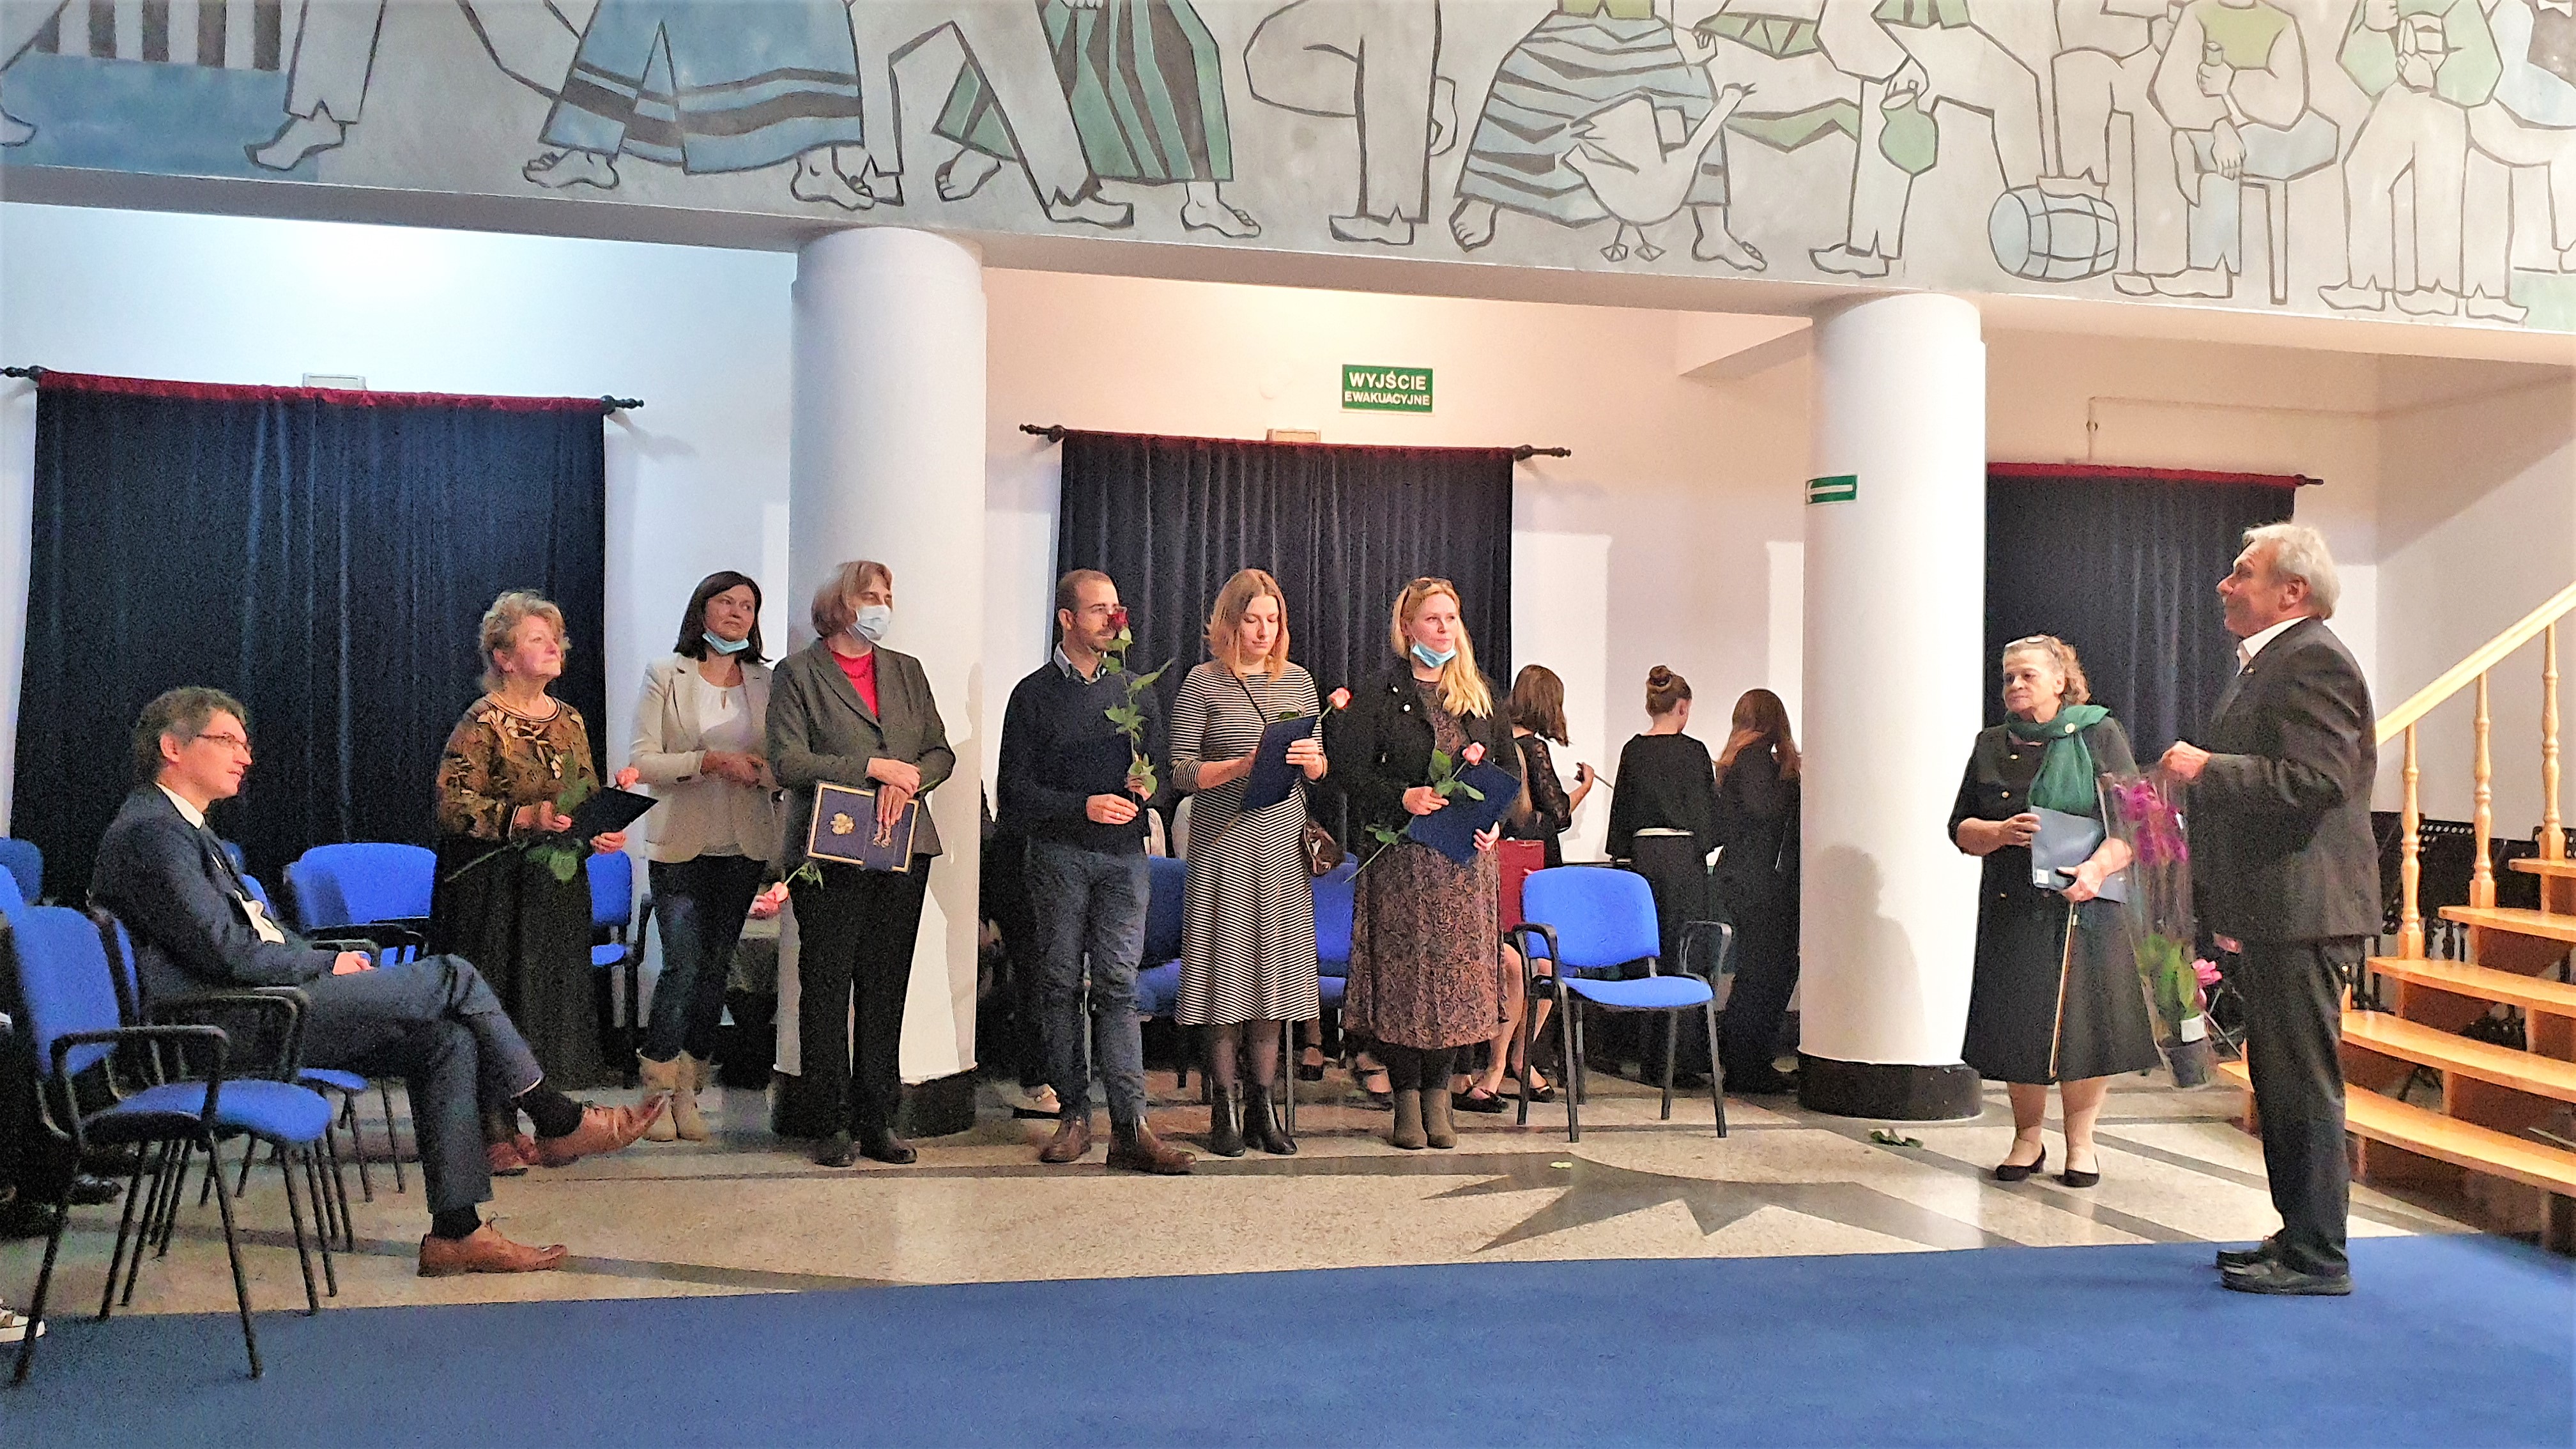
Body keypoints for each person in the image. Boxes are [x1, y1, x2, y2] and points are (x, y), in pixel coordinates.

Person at [94, 689, 661, 1275]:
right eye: (227, 741)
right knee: (455, 976)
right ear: (173, 747)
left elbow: (258, 936)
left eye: (244, 743)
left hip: (263, 1005)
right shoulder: (152, 833)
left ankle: (457, 1232)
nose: (246, 756)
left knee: (445, 1040)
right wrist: (323, 966)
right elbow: (225, 952)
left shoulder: (187, 830)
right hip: (228, 1025)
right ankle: (556, 1117)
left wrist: (324, 958)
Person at [2160, 524, 2377, 1297]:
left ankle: (2319, 1256)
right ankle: (2299, 1234)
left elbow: (2318, 780)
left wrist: (2209, 767)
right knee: (2279, 1084)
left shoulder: (2313, 658)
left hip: (2306, 910)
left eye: (2242, 573)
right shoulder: (2270, 661)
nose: (2225, 585)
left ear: (2293, 591)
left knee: (2302, 1085)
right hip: (2277, 907)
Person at [431, 592, 640, 1173]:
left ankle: (548, 1123)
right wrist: (525, 817)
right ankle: (493, 1128)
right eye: (536, 639)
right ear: (503, 657)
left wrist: (600, 829)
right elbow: (452, 806)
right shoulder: (482, 720)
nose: (554, 647)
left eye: (556, 639)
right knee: (496, 997)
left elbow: (579, 800)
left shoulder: (570, 719)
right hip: (493, 888)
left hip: (555, 885)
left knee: (545, 1000)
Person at [997, 569, 1195, 1174]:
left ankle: (1132, 1126)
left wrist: (1147, 788)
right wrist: (1080, 806)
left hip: (1125, 858)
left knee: (1118, 985)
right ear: (1066, 619)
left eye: (1117, 609)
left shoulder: (1136, 691)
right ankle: (1074, 1116)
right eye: (1098, 610)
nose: (1114, 620)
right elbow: (1013, 794)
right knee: (1060, 983)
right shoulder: (1032, 695)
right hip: (1059, 855)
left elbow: (1162, 778)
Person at [1949, 638, 2158, 1186]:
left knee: (2084, 1030)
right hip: (2013, 907)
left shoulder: (2099, 734)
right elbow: (1960, 828)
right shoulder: (1991, 743)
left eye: (2028, 676)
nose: (2015, 686)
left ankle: (2082, 1143)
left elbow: (2132, 827)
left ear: (2060, 681)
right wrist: (1998, 832)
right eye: (2008, 677)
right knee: (2019, 1025)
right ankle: (2026, 1138)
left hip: (2086, 905)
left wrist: (2095, 870)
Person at [769, 560, 954, 1169]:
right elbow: (789, 762)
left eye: (887, 595)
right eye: (870, 595)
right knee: (827, 987)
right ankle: (829, 1121)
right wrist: (872, 769)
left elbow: (939, 751)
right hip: (831, 848)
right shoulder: (799, 673)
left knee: (885, 986)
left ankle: (878, 1119)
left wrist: (910, 779)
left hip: (902, 845)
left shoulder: (907, 670)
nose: (882, 605)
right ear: (839, 604)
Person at [1331, 578, 1522, 1151]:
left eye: (1451, 619)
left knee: (1455, 988)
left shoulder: (1480, 695)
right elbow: (1349, 772)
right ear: (1408, 627)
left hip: (1465, 867)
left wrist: (1495, 822)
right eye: (1433, 619)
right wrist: (1403, 796)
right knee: (1407, 986)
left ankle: (1440, 1096)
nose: (1444, 629)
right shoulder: (1381, 692)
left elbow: (1509, 773)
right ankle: (1407, 1100)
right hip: (1404, 864)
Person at [1169, 568, 1328, 1157]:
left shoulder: (1299, 681)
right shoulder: (1204, 682)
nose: (1264, 631)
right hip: (1224, 845)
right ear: (1230, 622)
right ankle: (1224, 1108)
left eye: (1273, 620)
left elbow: (1319, 764)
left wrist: (1313, 763)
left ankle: (1264, 1104)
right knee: (1226, 981)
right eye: (1253, 619)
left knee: (1275, 981)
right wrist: (1241, 766)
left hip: (1281, 844)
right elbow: (1180, 771)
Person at [627, 571, 781, 1143]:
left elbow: (784, 764)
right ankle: (655, 1092)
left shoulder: (766, 680)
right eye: (726, 602)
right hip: (680, 843)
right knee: (682, 966)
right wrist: (709, 762)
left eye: (748, 606)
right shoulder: (666, 673)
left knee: (717, 970)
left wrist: (759, 772)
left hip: (743, 845)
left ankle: (689, 1089)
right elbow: (643, 761)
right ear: (703, 609)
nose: (737, 613)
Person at [1603, 666, 1721, 1087]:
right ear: (1683, 707)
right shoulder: (1695, 752)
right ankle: (1680, 1061)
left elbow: (1621, 817)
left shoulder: (1633, 751)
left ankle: (1646, 1058)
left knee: (1645, 957)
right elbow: (1708, 820)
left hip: (1643, 861)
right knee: (1684, 956)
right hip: (1683, 861)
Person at [1712, 688, 1804, 1096]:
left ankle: (1747, 1060)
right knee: (1768, 970)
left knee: (1761, 970)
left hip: (1746, 878)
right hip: (1760, 881)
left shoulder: (1739, 760)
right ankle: (1748, 1063)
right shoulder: (1755, 760)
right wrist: (1796, 781)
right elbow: (1764, 810)